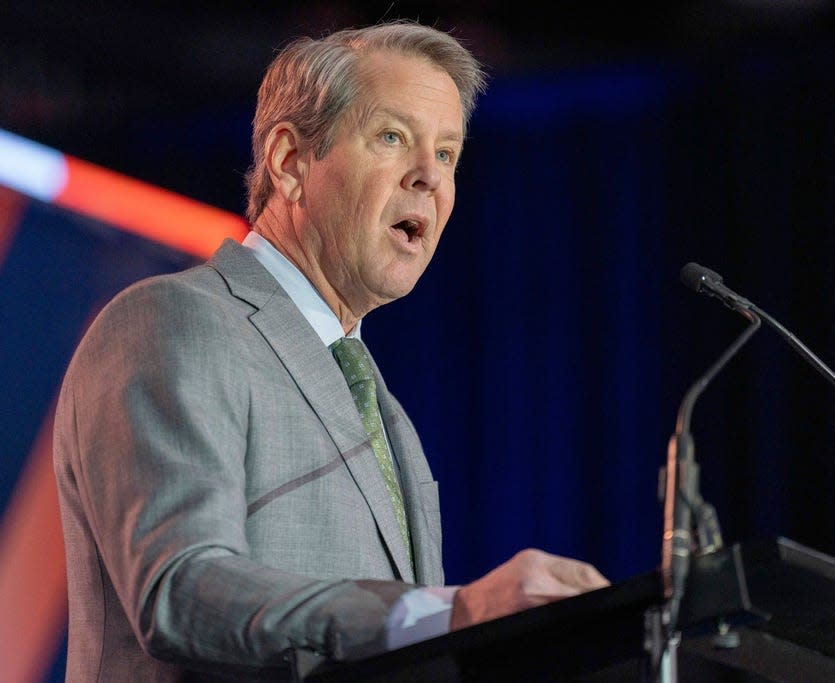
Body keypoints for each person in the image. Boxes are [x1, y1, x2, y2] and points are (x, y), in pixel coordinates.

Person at [53, 20, 608, 681]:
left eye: (449, 154)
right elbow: (180, 587)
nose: (429, 177)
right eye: (393, 137)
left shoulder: (384, 408)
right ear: (291, 162)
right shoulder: (174, 321)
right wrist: (450, 611)